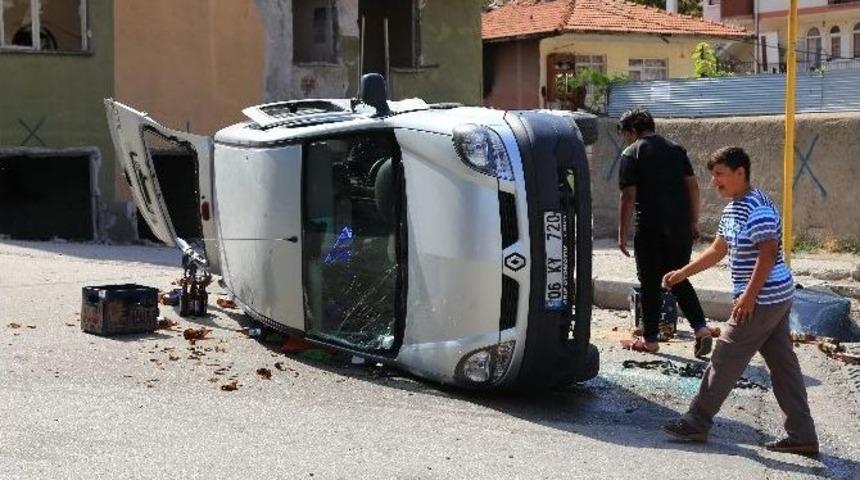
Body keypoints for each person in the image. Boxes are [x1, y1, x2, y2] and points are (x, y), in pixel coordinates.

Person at [661, 147, 818, 455]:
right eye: (713, 175)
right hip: (773, 296)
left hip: (763, 299)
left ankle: (696, 422)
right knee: (784, 367)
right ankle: (802, 435)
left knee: (724, 359)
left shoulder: (755, 207)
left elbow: (768, 253)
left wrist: (749, 295)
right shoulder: (734, 208)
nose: (714, 182)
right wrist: (683, 273)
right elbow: (718, 250)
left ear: (740, 173)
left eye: (720, 174)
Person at [616, 109, 713, 356]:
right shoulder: (676, 150)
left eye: (624, 134)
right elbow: (693, 187)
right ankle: (701, 328)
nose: (624, 139)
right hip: (680, 226)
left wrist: (621, 234)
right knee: (677, 277)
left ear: (631, 131)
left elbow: (628, 197)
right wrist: (693, 221)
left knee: (650, 282)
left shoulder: (631, 153)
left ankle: (650, 340)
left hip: (650, 227)